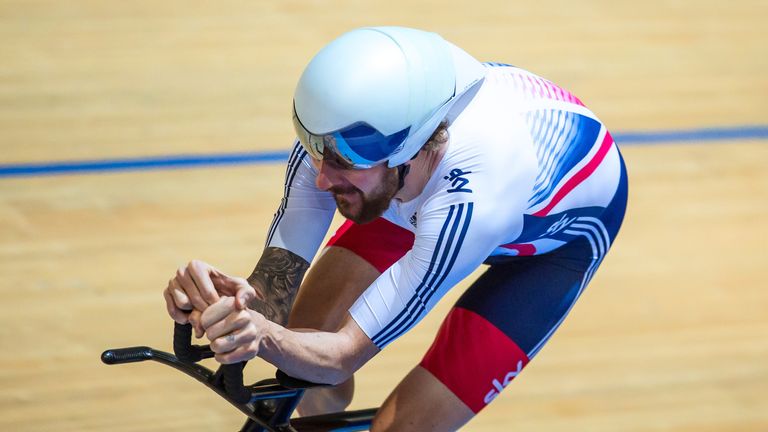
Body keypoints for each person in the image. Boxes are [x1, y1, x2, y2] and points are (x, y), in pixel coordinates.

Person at [163, 26, 628, 431]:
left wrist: (262, 336)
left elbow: (344, 352)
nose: (323, 178)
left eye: (343, 163)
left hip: (548, 248)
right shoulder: (343, 138)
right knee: (301, 359)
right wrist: (230, 303)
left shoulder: (472, 200)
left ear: (411, 147)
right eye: (316, 151)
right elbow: (272, 296)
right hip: (408, 194)